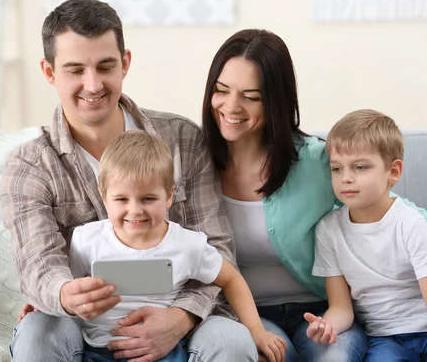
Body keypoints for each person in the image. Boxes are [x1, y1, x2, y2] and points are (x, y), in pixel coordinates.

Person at [200, 28, 427, 362]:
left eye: (251, 96)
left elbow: (401, 212)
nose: (231, 106)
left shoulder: (318, 163)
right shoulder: (198, 165)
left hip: (326, 309)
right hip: (250, 313)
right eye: (221, 90)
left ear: (276, 100)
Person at [0, 0, 260, 362]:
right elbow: (39, 267)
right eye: (75, 70)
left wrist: (179, 318)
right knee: (36, 334)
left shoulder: (183, 139)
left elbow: (217, 251)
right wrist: (62, 295)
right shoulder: (28, 166)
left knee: (231, 340)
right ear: (49, 72)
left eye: (105, 66)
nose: (92, 85)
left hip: (183, 317)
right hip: (83, 324)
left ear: (124, 63)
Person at [69, 130, 287, 362]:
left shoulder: (187, 245)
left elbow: (231, 279)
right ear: (104, 197)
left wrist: (256, 331)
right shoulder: (86, 240)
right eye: (122, 199)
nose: (135, 210)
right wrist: (41, 302)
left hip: (165, 352)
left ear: (169, 196)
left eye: (148, 199)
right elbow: (68, 285)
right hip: (98, 350)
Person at [304, 109, 427, 361]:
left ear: (393, 172)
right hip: (385, 339)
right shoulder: (328, 230)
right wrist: (327, 324)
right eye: (337, 168)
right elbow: (342, 308)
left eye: (360, 167)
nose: (346, 178)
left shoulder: (409, 223)